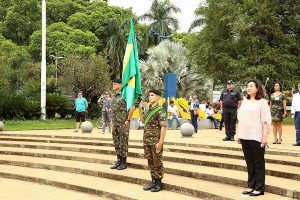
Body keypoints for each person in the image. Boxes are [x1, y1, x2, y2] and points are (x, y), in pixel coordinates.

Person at [237, 79, 271, 196]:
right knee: (249, 161)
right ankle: (251, 185)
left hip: (256, 136)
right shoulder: (244, 101)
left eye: (252, 86)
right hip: (245, 135)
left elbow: (266, 121)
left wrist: (265, 136)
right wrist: (239, 134)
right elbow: (240, 118)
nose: (249, 88)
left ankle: (259, 187)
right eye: (248, 86)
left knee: (258, 162)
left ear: (258, 88)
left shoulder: (262, 102)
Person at [139, 89, 167, 192]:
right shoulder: (148, 109)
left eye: (152, 95)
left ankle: (158, 183)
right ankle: (153, 181)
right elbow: (143, 121)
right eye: (149, 95)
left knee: (157, 162)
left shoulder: (160, 110)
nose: (150, 97)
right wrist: (140, 110)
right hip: (146, 140)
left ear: (158, 97)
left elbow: (163, 127)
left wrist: (160, 142)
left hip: (155, 140)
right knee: (150, 162)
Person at [110, 79, 135, 170]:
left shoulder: (125, 95)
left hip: (123, 123)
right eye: (113, 84)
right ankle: (119, 160)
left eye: (115, 84)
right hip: (115, 123)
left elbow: (132, 107)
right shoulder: (113, 96)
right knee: (116, 142)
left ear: (121, 85)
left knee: (123, 143)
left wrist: (128, 120)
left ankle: (124, 162)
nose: (113, 85)